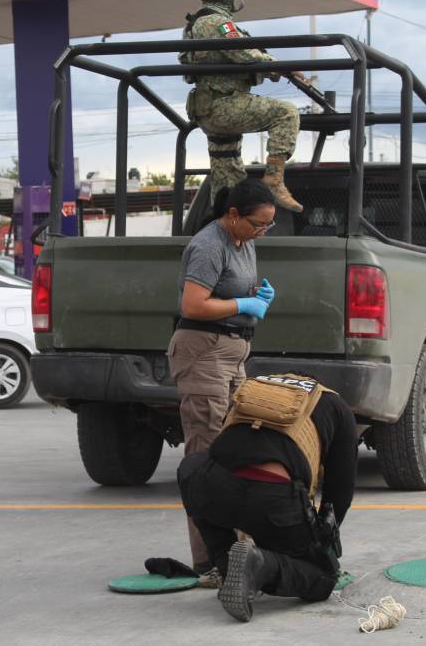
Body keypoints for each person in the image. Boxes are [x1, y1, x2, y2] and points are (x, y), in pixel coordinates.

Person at [177, 372, 360, 622]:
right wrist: (320, 546)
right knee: (322, 578)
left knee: (192, 468)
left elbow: (218, 451)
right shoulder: (337, 407)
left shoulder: (254, 387)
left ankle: (228, 567)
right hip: (274, 501)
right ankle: (258, 565)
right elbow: (340, 492)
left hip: (214, 489)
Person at [168, 178, 277, 586]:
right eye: (258, 223)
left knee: (238, 449)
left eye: (268, 225)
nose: (262, 231)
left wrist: (257, 298)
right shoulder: (208, 245)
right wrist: (242, 304)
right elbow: (193, 304)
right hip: (204, 352)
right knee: (206, 458)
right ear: (233, 215)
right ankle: (211, 561)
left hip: (233, 352)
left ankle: (240, 550)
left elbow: (231, 290)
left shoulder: (243, 241)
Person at [180, 0, 303, 213]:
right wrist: (280, 66)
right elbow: (242, 53)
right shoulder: (218, 22)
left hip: (207, 107)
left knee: (228, 178)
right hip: (225, 105)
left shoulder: (195, 23)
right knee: (286, 113)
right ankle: (274, 179)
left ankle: (223, 218)